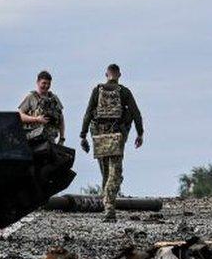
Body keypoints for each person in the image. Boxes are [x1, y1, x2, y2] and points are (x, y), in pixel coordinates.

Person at [80, 63, 144, 222]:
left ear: (106, 74)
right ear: (119, 75)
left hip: (100, 135)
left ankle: (107, 204)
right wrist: (140, 133)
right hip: (117, 135)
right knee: (115, 172)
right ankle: (109, 208)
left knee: (106, 172)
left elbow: (88, 113)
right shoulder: (124, 92)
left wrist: (83, 136)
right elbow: (136, 113)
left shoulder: (97, 91)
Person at [18, 70, 65, 144]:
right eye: (44, 83)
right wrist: (36, 119)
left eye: (48, 84)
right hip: (34, 139)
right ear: (38, 82)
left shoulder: (54, 99)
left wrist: (62, 138)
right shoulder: (31, 97)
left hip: (51, 139)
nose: (46, 86)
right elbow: (20, 116)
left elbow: (61, 118)